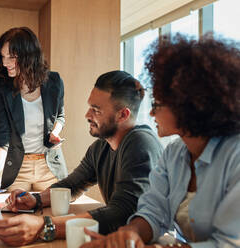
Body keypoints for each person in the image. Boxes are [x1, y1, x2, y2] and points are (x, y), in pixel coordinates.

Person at [81, 34, 240, 248]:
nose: (152, 114)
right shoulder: (174, 154)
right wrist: (130, 233)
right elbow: (153, 212)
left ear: (191, 106)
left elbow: (230, 243)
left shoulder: (235, 158)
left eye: (158, 103)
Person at [0, 70, 164, 246]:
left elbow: (122, 213)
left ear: (123, 115)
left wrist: (45, 226)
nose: (87, 115)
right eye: (90, 107)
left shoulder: (140, 143)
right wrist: (36, 200)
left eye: (96, 110)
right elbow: (71, 185)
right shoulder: (101, 147)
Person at [0, 27, 67, 191]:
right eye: (3, 56)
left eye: (12, 57)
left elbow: (60, 116)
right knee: (14, 213)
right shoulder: (0, 82)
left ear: (29, 56)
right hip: (16, 166)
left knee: (58, 213)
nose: (5, 63)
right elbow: (1, 133)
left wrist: (55, 132)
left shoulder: (54, 81)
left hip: (49, 165)